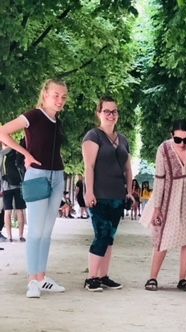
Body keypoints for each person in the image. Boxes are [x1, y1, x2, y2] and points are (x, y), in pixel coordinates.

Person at [0, 78, 68, 298]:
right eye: (56, 95)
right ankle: (32, 281)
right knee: (36, 232)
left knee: (46, 232)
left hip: (58, 176)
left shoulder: (57, 120)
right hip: (37, 176)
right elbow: (3, 132)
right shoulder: (34, 116)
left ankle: (42, 277)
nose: (60, 100)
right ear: (45, 94)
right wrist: (26, 154)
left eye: (63, 96)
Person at [142, 119, 186, 291]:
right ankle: (152, 277)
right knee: (162, 237)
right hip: (169, 199)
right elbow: (160, 179)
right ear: (171, 136)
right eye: (178, 140)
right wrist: (157, 207)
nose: (182, 144)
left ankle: (183, 279)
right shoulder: (163, 149)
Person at [82, 96, 133, 292]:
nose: (111, 115)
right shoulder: (93, 136)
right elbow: (89, 166)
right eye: (106, 111)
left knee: (110, 237)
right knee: (101, 235)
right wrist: (89, 191)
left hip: (117, 196)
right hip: (100, 194)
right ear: (99, 114)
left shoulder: (123, 140)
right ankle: (91, 277)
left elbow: (128, 169)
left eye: (114, 111)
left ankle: (103, 276)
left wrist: (129, 191)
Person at [0, 144, 27, 241]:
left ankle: (9, 237)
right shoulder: (20, 152)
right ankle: (20, 236)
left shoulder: (3, 153)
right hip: (19, 185)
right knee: (20, 210)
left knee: (7, 211)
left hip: (6, 185)